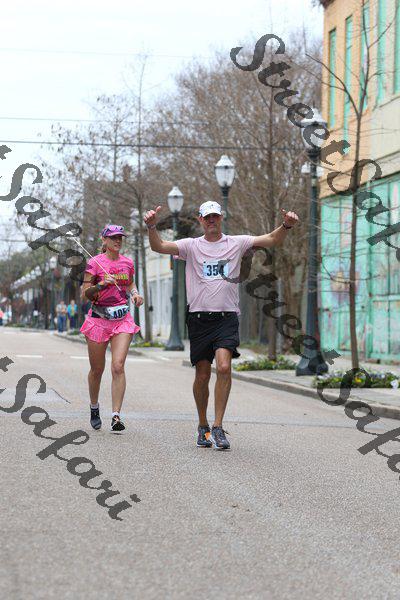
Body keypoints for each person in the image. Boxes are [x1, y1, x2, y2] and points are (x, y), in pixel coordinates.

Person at [144, 201, 299, 450]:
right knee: (202, 374)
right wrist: (152, 226)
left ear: (221, 218)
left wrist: (286, 226)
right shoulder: (191, 246)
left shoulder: (236, 243)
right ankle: (202, 425)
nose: (211, 220)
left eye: (215, 216)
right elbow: (159, 246)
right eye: (207, 217)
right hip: (199, 318)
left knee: (224, 367)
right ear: (200, 220)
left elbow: (271, 239)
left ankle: (217, 426)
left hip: (226, 317)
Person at [80, 224, 143, 432]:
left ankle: (116, 416)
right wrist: (101, 285)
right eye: (114, 237)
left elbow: (130, 283)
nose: (118, 240)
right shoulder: (94, 263)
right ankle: (94, 406)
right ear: (104, 240)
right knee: (97, 370)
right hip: (98, 320)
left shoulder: (128, 263)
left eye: (120, 237)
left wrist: (135, 294)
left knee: (118, 366)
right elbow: (85, 294)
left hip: (122, 319)